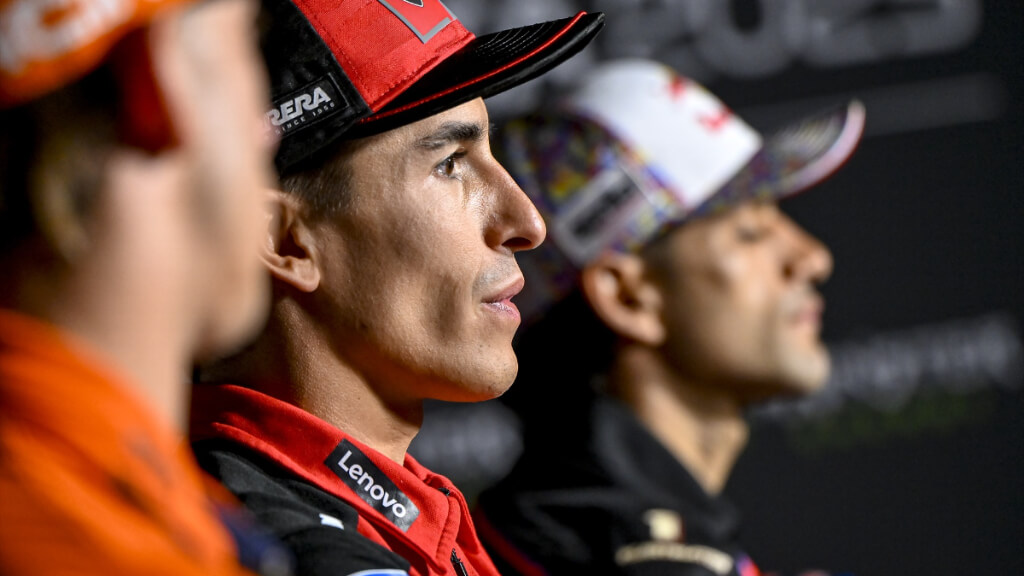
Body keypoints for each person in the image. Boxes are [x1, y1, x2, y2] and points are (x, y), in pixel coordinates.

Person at [187, 1, 605, 575]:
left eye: (491, 152)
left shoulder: (399, 520)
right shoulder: (273, 548)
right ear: (285, 241)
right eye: (450, 163)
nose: (527, 222)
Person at [471, 58, 866, 576]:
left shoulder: (543, 532)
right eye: (748, 232)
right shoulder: (627, 556)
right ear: (628, 297)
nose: (813, 258)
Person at [0, 0, 291, 574]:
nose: (269, 132)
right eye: (245, 47)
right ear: (158, 77)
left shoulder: (147, 508)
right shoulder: (97, 549)